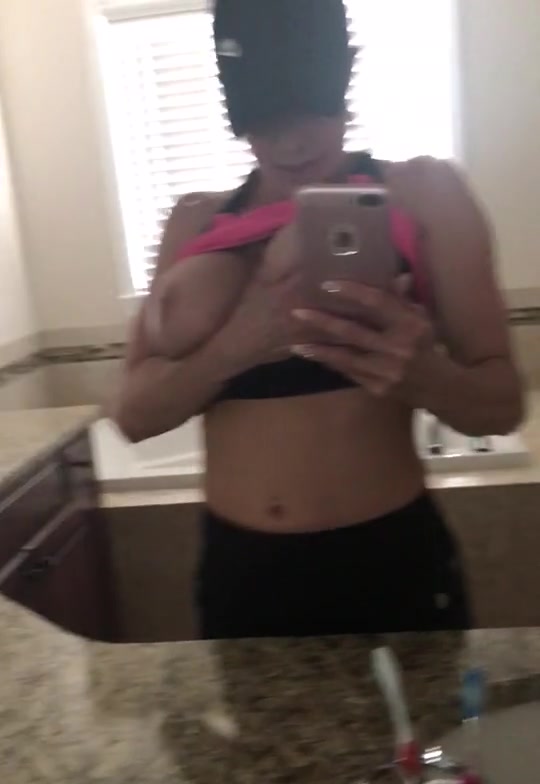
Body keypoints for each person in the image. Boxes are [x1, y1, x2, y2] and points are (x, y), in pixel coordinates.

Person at [114, 0, 523, 640]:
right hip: (243, 575)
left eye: (310, 110)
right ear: (235, 108)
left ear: (342, 82)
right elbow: (134, 417)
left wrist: (424, 375)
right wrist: (240, 343)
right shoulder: (195, 223)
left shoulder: (425, 194)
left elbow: (502, 406)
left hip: (390, 563)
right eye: (266, 120)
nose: (291, 142)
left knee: (431, 715)